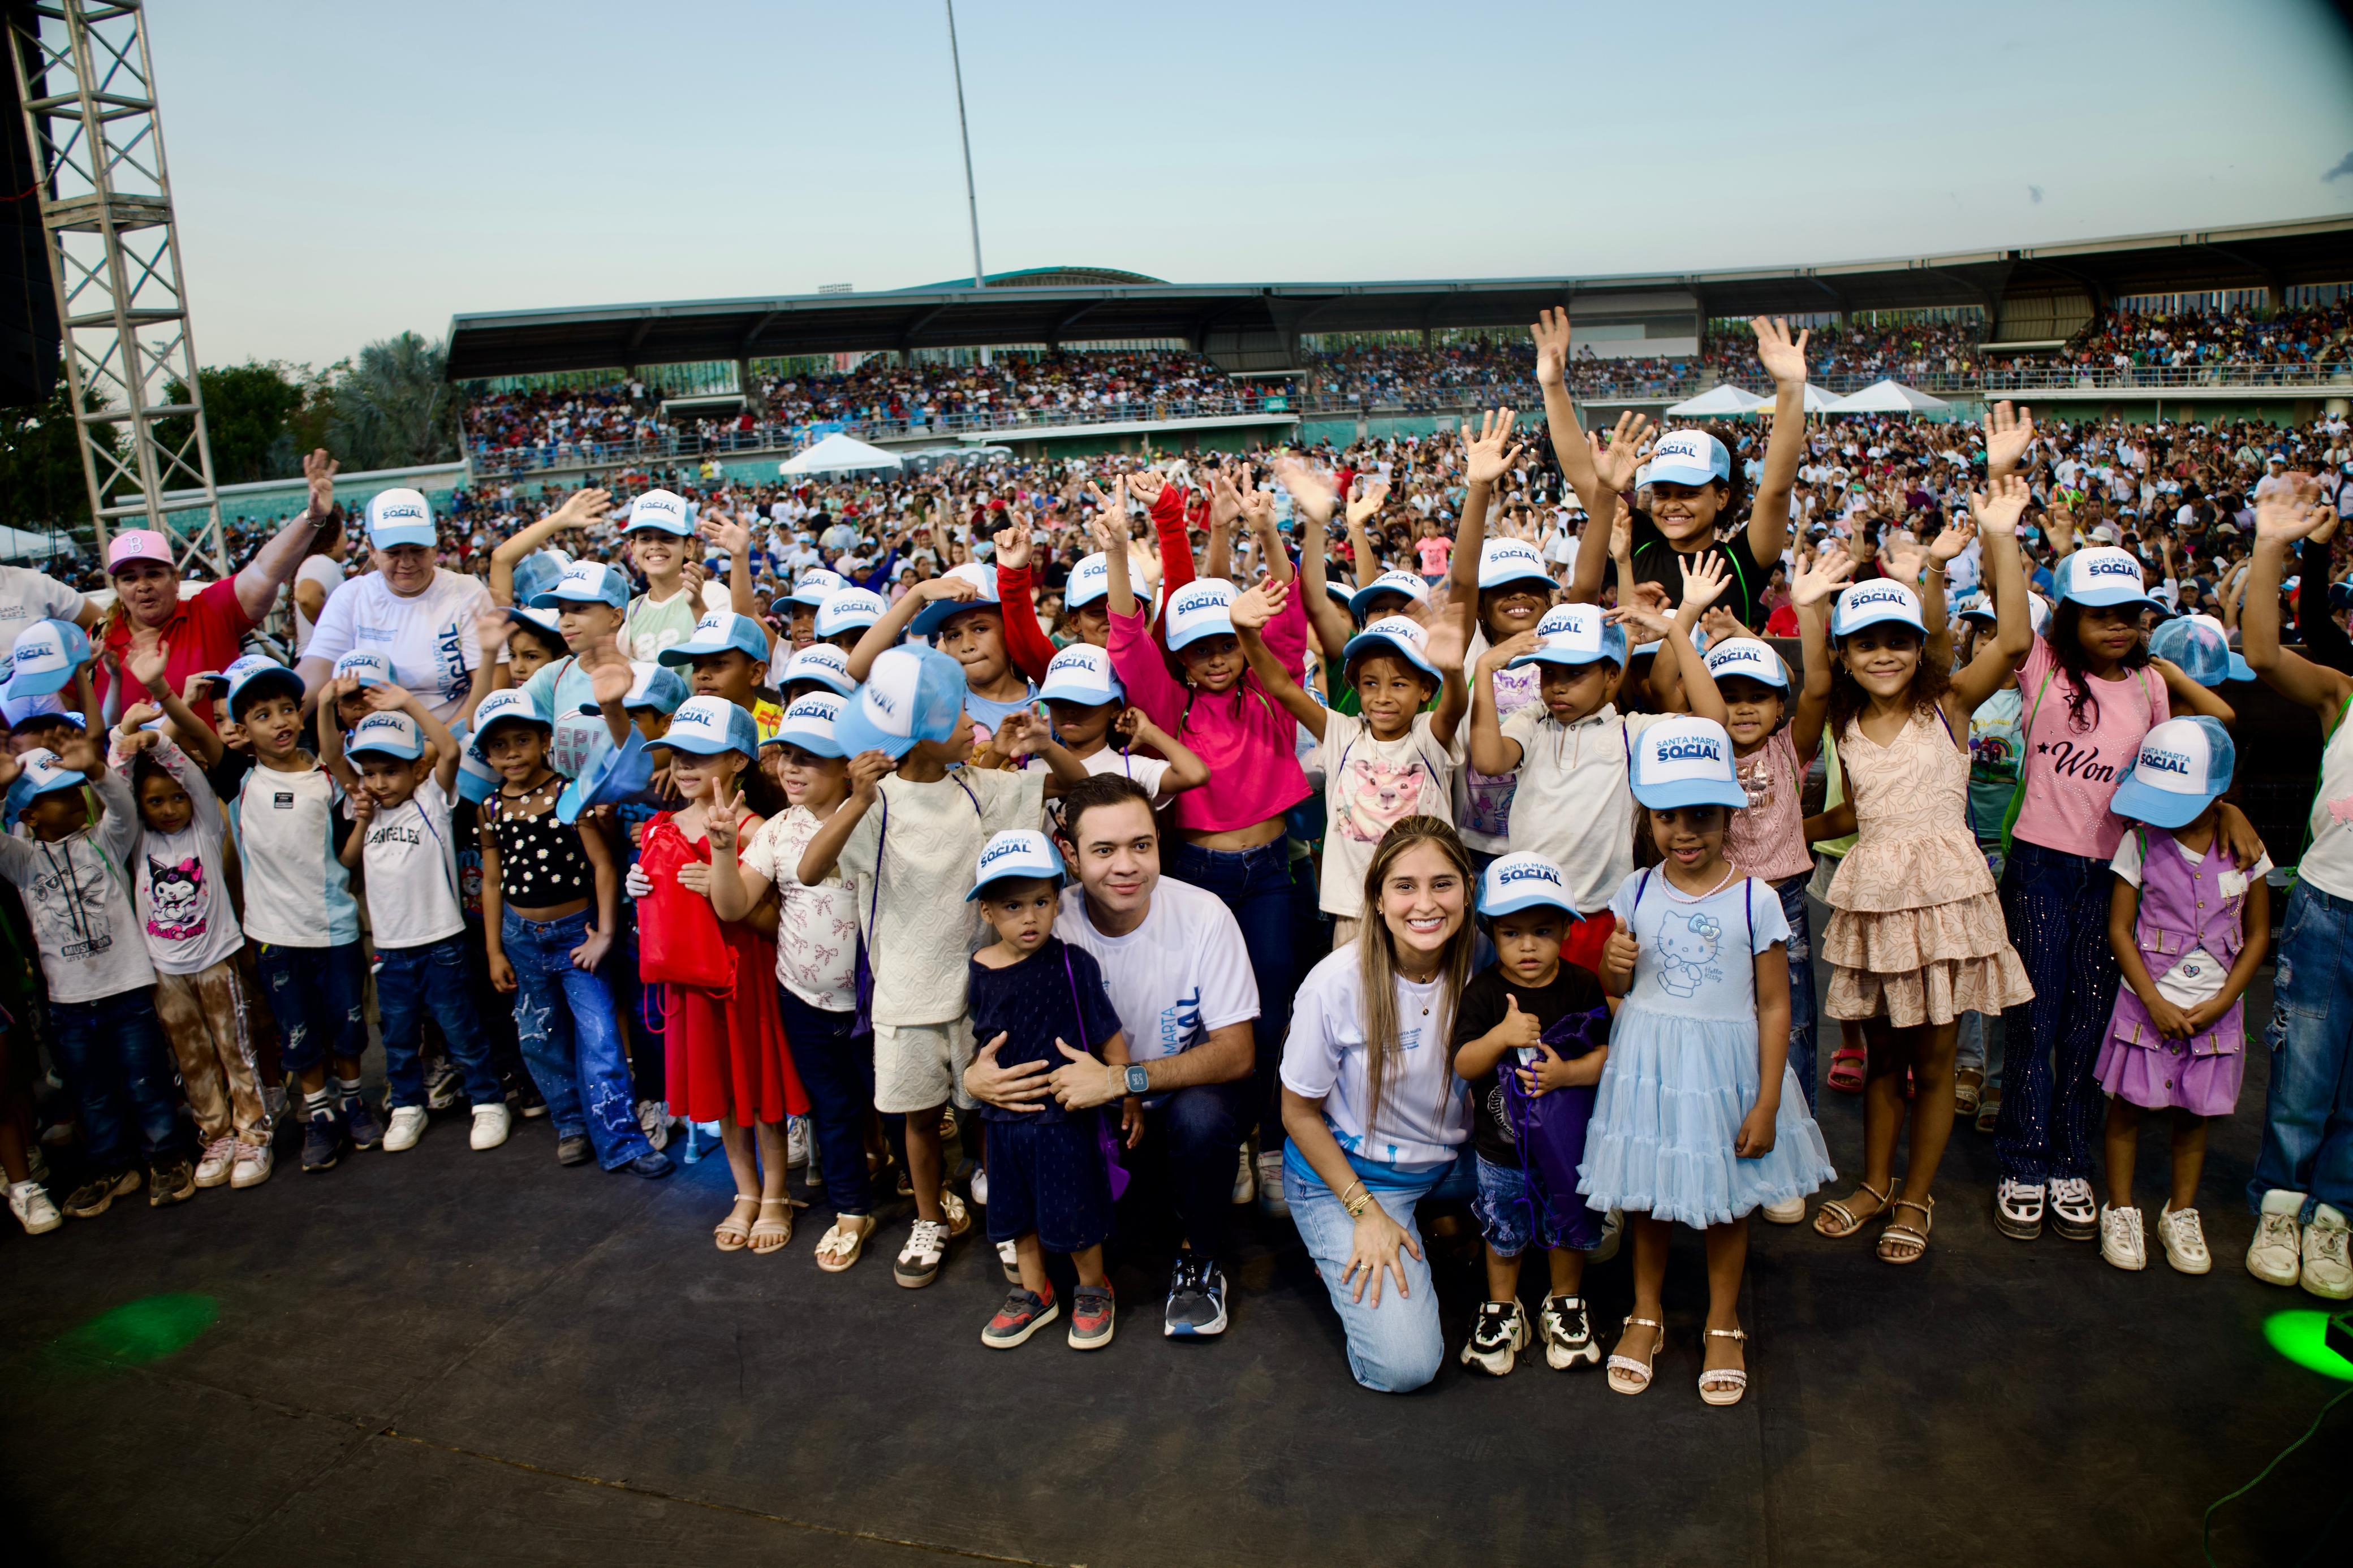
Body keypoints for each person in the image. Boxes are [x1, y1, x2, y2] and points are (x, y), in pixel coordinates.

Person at [1991, 463, 2250, 1247]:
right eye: (2099, 614)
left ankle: (2071, 1159)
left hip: (2117, 871)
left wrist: (2225, 800)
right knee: (2033, 1018)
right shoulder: (2040, 667)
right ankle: (2022, 1159)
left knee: (2089, 1021)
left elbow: (2207, 737)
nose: (2117, 627)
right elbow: (2012, 629)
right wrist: (2004, 531)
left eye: (2130, 615)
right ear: (2069, 616)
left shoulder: (2150, 688)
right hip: (2040, 865)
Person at [1808, 479, 2036, 1263]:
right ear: (1844, 655)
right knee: (1883, 1061)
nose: (1883, 654)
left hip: (1944, 903)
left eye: (1898, 641)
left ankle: (1916, 1195)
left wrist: (1998, 534)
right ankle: (1874, 1184)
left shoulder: (1951, 706)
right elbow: (1856, 812)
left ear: (1919, 647)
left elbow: (2013, 642)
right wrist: (1786, 836)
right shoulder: (1841, 724)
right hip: (1877, 904)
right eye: (1865, 643)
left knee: (1935, 1065)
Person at [1583, 718, 1834, 1405]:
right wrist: (1611, 964)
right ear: (1648, 818)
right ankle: (1646, 1311)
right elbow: (1615, 987)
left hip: (1724, 1073)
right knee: (1648, 1195)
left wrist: (1766, 1100)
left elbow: (1776, 1006)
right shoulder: (1635, 891)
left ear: (1730, 814)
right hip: (1651, 1070)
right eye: (1667, 816)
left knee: (1727, 1201)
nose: (1683, 831)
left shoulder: (1755, 899)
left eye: (1700, 815)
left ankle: (1723, 1320)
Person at [966, 774, 1260, 1337]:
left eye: (1140, 845)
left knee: (1203, 1117)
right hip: (1088, 1120)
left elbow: (1237, 1054)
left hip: (1170, 1102)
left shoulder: (1204, 914)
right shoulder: (1043, 919)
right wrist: (976, 1078)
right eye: (1104, 850)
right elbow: (991, 1022)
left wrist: (1123, 1079)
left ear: (1158, 842)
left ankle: (1199, 1257)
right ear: (1071, 856)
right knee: (1078, 1256)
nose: (1126, 865)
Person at [798, 646, 1044, 1288]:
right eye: (957, 713)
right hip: (905, 998)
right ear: (920, 733)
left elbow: (1049, 785)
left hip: (977, 994)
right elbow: (809, 869)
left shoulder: (974, 789)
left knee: (988, 1115)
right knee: (919, 1119)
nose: (971, 722)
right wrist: (856, 799)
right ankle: (929, 1217)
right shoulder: (875, 802)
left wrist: (1012, 750)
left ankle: (1007, 1219)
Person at [1101, 472, 1309, 1205]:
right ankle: (1226, 1139)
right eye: (1200, 649)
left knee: (1274, 1010)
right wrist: (1118, 551)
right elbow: (1127, 638)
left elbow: (1287, 615)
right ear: (1179, 658)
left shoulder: (1272, 689)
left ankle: (1271, 1141)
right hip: (1195, 876)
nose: (1217, 657)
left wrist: (1266, 530)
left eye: (1228, 643)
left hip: (1271, 876)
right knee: (1206, 1017)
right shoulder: (1166, 704)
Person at [1279, 817, 1477, 1394]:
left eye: (1442, 884)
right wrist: (1364, 1211)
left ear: (1468, 889)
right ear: (1376, 897)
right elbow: (1297, 1113)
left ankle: (1435, 1218)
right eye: (1405, 886)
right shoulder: (1335, 984)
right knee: (1405, 1366)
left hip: (1453, 1163)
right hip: (1359, 1175)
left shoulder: (1485, 960)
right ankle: (1338, 1236)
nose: (1426, 904)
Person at [1467, 588, 1727, 978]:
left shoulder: (1632, 732)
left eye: (1575, 672)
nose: (1558, 685)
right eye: (1549, 672)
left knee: (1598, 1009)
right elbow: (1489, 761)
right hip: (1532, 911)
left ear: (1611, 675)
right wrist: (1485, 667)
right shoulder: (1532, 721)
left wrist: (1675, 632)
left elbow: (1712, 722)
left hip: (1601, 912)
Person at [473, 687, 671, 1178]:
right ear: (488, 755)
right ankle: (571, 1124)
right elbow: (493, 881)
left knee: (601, 1036)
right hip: (522, 939)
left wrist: (604, 933)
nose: (512, 753)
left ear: (545, 740)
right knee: (539, 1038)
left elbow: (603, 865)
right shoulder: (491, 808)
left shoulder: (570, 794)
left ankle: (621, 1138)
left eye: (522, 740)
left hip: (575, 937)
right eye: (499, 745)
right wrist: (494, 949)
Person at [2094, 717, 2268, 1274]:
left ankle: (2180, 1211)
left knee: (2194, 1114)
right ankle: (2121, 1208)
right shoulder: (2138, 841)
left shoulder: (2246, 848)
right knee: (2126, 1107)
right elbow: (2119, 928)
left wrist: (2224, 1002)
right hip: (2144, 1003)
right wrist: (2152, 1000)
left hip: (2214, 1010)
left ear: (2217, 794)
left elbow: (2258, 934)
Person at [713, 693, 880, 1271]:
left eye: (809, 757)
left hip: (874, 1000)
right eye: (786, 754)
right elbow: (734, 905)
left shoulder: (875, 817)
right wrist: (721, 851)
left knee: (892, 1103)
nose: (790, 767)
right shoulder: (779, 829)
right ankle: (852, 1209)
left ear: (848, 764)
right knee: (832, 1109)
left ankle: (924, 1197)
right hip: (804, 1000)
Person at [2238, 474, 2353, 1301]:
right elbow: (2263, 654)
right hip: (2327, 906)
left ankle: (2336, 1214)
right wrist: (2271, 546)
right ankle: (2281, 1205)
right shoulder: (2342, 695)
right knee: (2304, 1069)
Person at [0, 737, 196, 1216]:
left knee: (146, 1079)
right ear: (29, 816)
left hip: (127, 988)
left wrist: (98, 772)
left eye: (76, 788)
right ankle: (113, 1165)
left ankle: (166, 1156)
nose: (74, 797)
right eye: (57, 795)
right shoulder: (21, 860)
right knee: (91, 1092)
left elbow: (124, 808)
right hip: (69, 1000)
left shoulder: (103, 840)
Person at [319, 676, 511, 1157]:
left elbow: (449, 748)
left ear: (417, 769)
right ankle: (407, 1105)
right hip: (391, 950)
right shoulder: (366, 808)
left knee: (462, 1029)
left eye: (391, 771)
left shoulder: (432, 801)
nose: (379, 782)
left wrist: (406, 702)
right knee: (399, 1037)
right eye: (370, 773)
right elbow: (333, 761)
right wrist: (324, 705)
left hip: (442, 943)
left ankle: (488, 1100)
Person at [960, 830, 1131, 1350]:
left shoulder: (1075, 964)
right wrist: (978, 1079)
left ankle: (1093, 1287)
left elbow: (1109, 1033)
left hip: (1064, 1117)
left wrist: (1125, 1089)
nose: (1030, 917)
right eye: (1013, 906)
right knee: (1015, 1214)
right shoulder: (980, 968)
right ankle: (1035, 1291)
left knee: (1074, 1208)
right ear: (988, 912)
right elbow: (980, 1040)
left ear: (1058, 901)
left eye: (1040, 901)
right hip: (1003, 1118)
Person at [109, 644, 270, 1190]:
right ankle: (215, 1133)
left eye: (176, 798)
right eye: (156, 802)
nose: (169, 808)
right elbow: (115, 787)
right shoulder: (136, 841)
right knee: (192, 1056)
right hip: (165, 968)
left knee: (234, 1049)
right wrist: (125, 736)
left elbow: (187, 773)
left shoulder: (205, 823)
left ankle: (253, 1133)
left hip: (216, 958)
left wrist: (157, 740)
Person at [653, 697, 809, 1254]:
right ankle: (745, 1192)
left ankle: (775, 1193)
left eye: (700, 754)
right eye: (677, 754)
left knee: (759, 1089)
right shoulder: (663, 827)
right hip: (693, 984)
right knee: (721, 1090)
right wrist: (642, 884)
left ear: (739, 760)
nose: (684, 765)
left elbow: (784, 916)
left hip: (748, 978)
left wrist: (721, 881)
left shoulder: (756, 829)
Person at [1450, 852, 1612, 1376]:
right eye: (1511, 933)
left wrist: (1567, 1074)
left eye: (1542, 931)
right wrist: (1501, 1035)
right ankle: (1503, 1307)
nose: (1527, 946)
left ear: (1566, 929)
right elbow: (1463, 1062)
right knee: (1503, 1230)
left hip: (1568, 1148)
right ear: (1490, 933)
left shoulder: (1582, 985)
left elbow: (1609, 1056)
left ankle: (1564, 1301)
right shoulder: (1484, 992)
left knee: (1567, 1225)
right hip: (1501, 1150)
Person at [213, 653, 376, 1173]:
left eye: (287, 709)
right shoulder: (242, 779)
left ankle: (353, 1101)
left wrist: (362, 821)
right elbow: (193, 737)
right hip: (276, 936)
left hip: (335, 928)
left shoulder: (327, 778)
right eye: (262, 715)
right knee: (298, 1032)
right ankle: (319, 1114)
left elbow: (345, 860)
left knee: (347, 1023)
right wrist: (162, 691)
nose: (280, 722)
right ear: (242, 730)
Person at [1237, 597, 1468, 943]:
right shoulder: (1341, 734)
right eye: (1370, 683)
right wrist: (1245, 632)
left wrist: (1453, 671)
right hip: (1353, 910)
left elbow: (1454, 709)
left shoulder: (1428, 735)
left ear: (1425, 690)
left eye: (1399, 684)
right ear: (1357, 687)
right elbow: (1281, 687)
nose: (1383, 697)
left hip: (1423, 909)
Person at [97, 448, 337, 727]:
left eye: (153, 574)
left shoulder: (209, 612)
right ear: (117, 587)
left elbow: (264, 571)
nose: (143, 587)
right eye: (129, 579)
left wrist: (312, 517)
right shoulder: (100, 642)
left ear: (176, 579)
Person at [299, 486, 498, 723]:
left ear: (435, 547)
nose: (407, 562)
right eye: (393, 553)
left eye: (418, 551)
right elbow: (315, 672)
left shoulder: (466, 592)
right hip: (377, 737)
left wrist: (442, 741)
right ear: (372, 551)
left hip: (458, 733)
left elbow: (493, 683)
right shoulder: (351, 597)